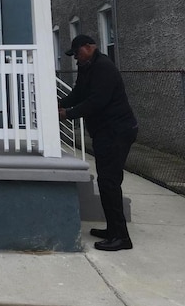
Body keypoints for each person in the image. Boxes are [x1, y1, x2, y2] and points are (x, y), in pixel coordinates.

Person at [58, 34, 138, 251]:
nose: (75, 58)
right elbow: (77, 95)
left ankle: (122, 237)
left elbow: (96, 101)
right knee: (106, 182)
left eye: (77, 53)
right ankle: (112, 230)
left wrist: (68, 114)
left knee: (110, 183)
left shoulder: (103, 67)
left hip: (117, 132)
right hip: (105, 133)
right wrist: (55, 103)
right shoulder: (87, 68)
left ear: (89, 47)